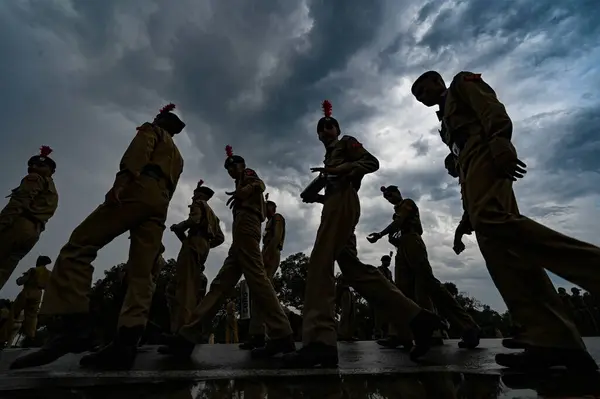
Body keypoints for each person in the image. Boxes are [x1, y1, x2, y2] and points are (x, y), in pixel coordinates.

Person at [411, 70, 599, 371]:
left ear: (438, 81)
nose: (422, 96)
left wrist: (500, 141)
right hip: (471, 168)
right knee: (501, 251)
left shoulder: (461, 84)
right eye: (417, 96)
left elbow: (492, 109)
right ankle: (551, 338)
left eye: (423, 88)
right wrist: (465, 215)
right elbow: (462, 168)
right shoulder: (443, 123)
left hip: (485, 150)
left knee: (493, 221)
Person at [11, 103, 186, 370]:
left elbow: (139, 151)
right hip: (161, 201)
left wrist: (121, 182)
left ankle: (72, 326)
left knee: (79, 245)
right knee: (142, 271)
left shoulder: (152, 131)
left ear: (159, 120)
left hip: (139, 188)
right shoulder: (178, 155)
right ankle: (127, 340)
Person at [283, 100, 442, 368]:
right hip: (334, 204)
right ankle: (417, 318)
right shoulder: (329, 159)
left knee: (320, 264)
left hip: (343, 203)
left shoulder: (347, 143)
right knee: (355, 271)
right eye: (321, 129)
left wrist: (339, 171)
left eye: (329, 126)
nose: (325, 131)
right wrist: (314, 192)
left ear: (338, 129)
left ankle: (320, 341)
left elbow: (371, 162)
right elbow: (326, 183)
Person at [159, 145, 294, 360]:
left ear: (241, 165)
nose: (231, 171)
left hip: (248, 227)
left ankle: (282, 334)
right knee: (221, 284)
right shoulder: (239, 180)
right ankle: (188, 335)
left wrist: (244, 191)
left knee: (258, 280)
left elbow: (259, 183)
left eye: (233, 167)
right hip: (240, 231)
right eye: (228, 169)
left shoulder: (248, 175)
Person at [368, 185, 480, 350]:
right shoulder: (396, 213)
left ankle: (465, 326)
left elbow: (400, 222)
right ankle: (400, 333)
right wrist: (392, 239)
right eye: (387, 197)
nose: (389, 198)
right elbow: (396, 229)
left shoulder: (407, 204)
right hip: (402, 246)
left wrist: (380, 234)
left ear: (398, 193)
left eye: (391, 194)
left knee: (427, 284)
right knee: (401, 290)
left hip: (413, 241)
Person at [169, 179, 224, 334]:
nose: (193, 196)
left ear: (200, 195)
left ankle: (180, 329)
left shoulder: (198, 204)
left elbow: (194, 220)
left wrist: (179, 226)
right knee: (191, 285)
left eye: (195, 194)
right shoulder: (213, 215)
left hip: (194, 243)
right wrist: (205, 245)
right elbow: (220, 238)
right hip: (202, 246)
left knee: (185, 287)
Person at [0, 146, 58, 290]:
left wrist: (1, 224)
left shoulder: (34, 178)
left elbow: (18, 203)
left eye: (40, 165)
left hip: (19, 224)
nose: (33, 167)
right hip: (34, 232)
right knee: (4, 270)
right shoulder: (52, 189)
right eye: (31, 164)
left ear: (51, 171)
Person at [240, 194, 286, 350]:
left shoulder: (277, 218)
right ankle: (257, 334)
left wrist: (266, 256)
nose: (264, 211)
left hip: (271, 254)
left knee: (263, 292)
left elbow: (276, 238)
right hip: (265, 253)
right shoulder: (268, 223)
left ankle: (265, 333)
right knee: (258, 294)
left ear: (272, 208)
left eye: (266, 208)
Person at [0, 255, 52, 347]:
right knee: (32, 317)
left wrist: (19, 279)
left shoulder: (33, 270)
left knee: (13, 313)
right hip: (38, 294)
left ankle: (2, 338)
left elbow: (21, 281)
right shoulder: (49, 273)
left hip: (28, 291)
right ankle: (31, 338)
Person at [372, 253, 393, 339]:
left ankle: (386, 333)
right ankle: (377, 332)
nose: (388, 263)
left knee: (387, 314)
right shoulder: (378, 270)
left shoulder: (389, 272)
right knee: (378, 315)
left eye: (389, 261)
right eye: (387, 261)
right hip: (379, 293)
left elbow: (391, 281)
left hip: (387, 294)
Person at [336, 275, 357, 341]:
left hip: (351, 293)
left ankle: (349, 334)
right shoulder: (342, 276)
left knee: (352, 314)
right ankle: (341, 334)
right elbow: (338, 287)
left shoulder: (351, 276)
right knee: (345, 313)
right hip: (345, 293)